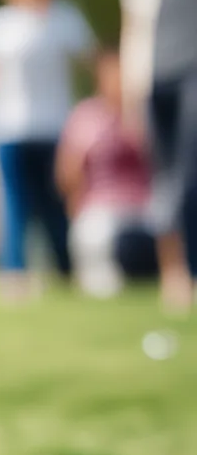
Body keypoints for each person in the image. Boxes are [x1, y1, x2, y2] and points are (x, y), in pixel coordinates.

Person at [0, 0, 95, 300]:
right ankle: (13, 274)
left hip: (56, 129)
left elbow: (92, 61)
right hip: (9, 130)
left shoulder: (64, 18)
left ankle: (67, 270)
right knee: (13, 205)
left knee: (56, 205)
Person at [106, 0, 197, 309]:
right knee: (163, 177)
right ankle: (175, 273)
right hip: (153, 78)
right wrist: (130, 87)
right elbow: (134, 22)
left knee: (192, 173)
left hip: (193, 74)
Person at [56, 50, 168, 296]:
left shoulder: (147, 112)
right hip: (102, 205)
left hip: (146, 204)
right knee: (98, 241)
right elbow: (68, 173)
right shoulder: (85, 115)